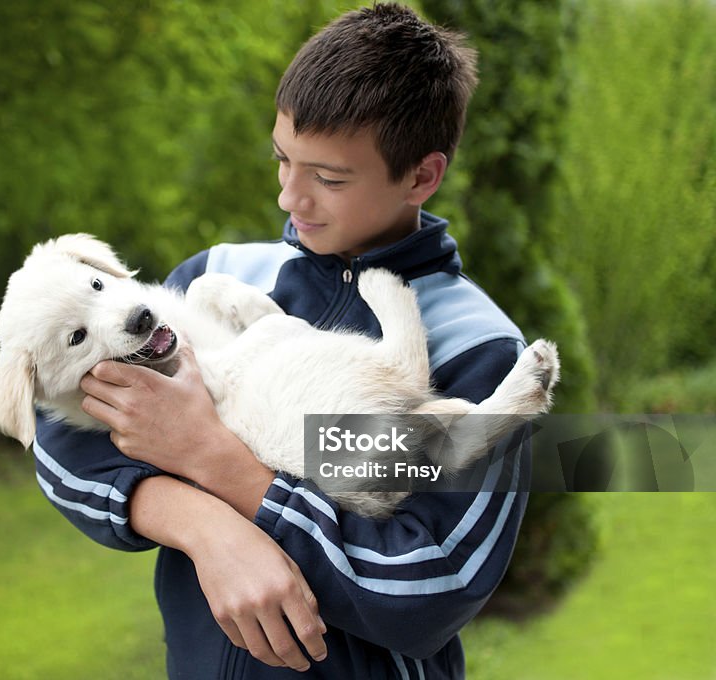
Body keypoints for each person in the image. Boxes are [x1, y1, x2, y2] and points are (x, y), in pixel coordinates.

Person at [33, 4, 530, 678]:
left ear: (421, 175)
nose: (290, 199)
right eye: (282, 161)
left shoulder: (473, 348)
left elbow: (430, 583)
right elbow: (63, 442)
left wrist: (225, 468)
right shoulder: (217, 277)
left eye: (328, 178)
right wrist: (208, 530)